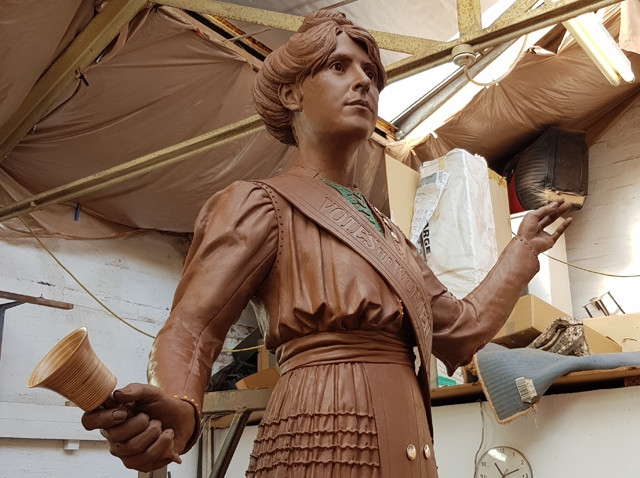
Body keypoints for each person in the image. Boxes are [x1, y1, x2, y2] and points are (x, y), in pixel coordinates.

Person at [82, 10, 572, 477]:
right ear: (293, 94)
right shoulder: (260, 204)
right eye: (339, 66)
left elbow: (461, 332)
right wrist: (180, 409)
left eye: (371, 74)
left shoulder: (388, 233)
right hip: (317, 441)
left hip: (412, 450)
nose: (364, 81)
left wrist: (523, 250)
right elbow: (192, 329)